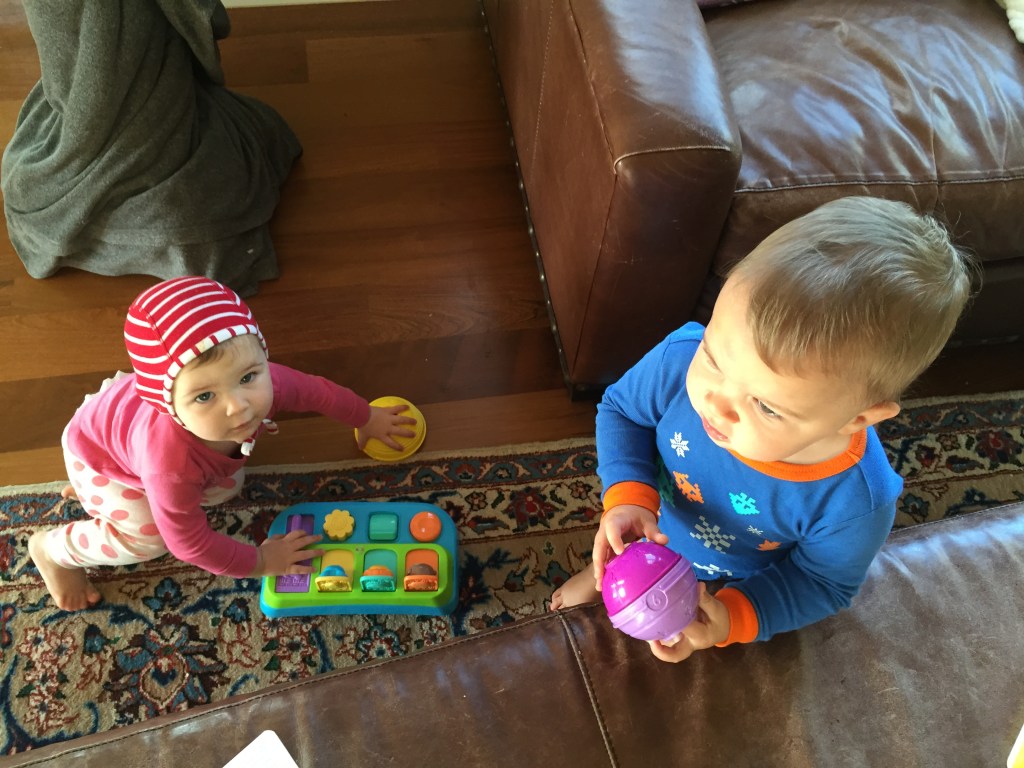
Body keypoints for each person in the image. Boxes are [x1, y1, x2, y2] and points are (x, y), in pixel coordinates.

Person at [550, 196, 975, 662]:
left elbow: (822, 582)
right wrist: (629, 497)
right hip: (649, 526)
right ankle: (603, 574)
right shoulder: (679, 361)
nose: (716, 404)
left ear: (857, 418)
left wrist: (734, 616)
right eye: (714, 358)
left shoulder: (855, 502)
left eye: (766, 407)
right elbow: (622, 411)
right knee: (614, 551)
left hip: (737, 575)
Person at [28, 276, 417, 611]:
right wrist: (261, 561)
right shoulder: (170, 467)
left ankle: (102, 493)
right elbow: (189, 545)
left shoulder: (264, 380)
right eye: (204, 396)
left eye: (248, 377)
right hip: (98, 452)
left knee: (226, 488)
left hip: (127, 430)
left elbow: (320, 393)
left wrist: (368, 418)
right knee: (151, 536)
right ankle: (53, 550)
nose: (239, 406)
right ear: (169, 406)